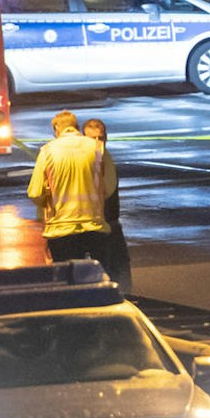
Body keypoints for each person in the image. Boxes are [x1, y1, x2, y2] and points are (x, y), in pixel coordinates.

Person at [27, 110, 106, 263]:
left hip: (60, 228)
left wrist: (47, 204)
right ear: (76, 127)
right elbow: (106, 186)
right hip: (93, 225)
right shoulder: (96, 147)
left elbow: (35, 192)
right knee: (94, 276)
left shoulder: (47, 151)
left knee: (67, 276)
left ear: (57, 129)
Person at [83, 117, 133, 289]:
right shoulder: (86, 161)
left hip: (110, 221)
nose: (97, 143)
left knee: (118, 265)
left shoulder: (106, 158)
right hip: (93, 224)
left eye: (100, 138)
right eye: (92, 139)